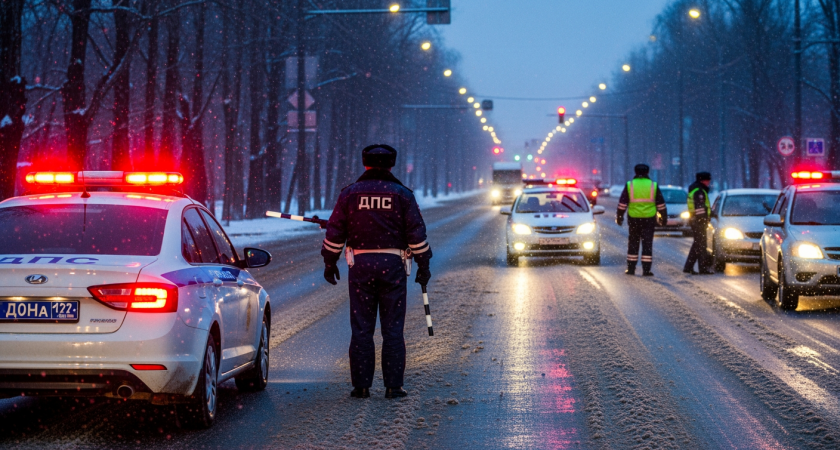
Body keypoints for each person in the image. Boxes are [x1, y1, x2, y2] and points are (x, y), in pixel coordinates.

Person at [321, 144, 433, 400]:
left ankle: (361, 387)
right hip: (393, 267)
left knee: (361, 329)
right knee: (392, 329)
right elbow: (416, 234)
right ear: (391, 165)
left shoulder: (349, 194)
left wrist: (330, 262)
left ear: (365, 163)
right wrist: (424, 264)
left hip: (360, 267)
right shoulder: (402, 195)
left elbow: (335, 231)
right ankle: (394, 387)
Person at [615, 164, 667, 276]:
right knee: (647, 243)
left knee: (633, 242)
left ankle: (631, 269)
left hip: (634, 218)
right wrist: (663, 218)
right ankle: (646, 270)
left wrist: (619, 217)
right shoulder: (653, 185)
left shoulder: (630, 185)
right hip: (649, 219)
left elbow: (622, 204)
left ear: (635, 171)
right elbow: (661, 204)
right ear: (648, 172)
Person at [684, 172, 713, 275]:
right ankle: (702, 268)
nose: (709, 182)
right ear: (702, 180)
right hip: (699, 221)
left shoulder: (696, 189)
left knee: (697, 244)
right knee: (701, 244)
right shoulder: (699, 191)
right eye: (707, 180)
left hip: (695, 220)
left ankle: (689, 267)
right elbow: (700, 208)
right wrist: (704, 220)